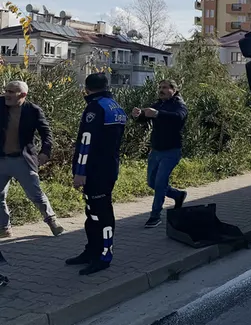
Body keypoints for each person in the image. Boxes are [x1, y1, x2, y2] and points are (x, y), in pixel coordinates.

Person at [65, 73, 127, 275]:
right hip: (108, 167)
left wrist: (79, 172)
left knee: (102, 213)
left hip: (96, 170)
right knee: (92, 212)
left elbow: (86, 142)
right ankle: (91, 250)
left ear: (87, 88)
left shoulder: (95, 107)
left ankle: (104, 254)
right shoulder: (115, 106)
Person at [0, 80, 63, 238]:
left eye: (11, 92)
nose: (6, 94)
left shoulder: (32, 110)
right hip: (1, 159)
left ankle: (51, 220)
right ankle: (4, 228)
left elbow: (46, 133)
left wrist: (45, 152)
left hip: (22, 160)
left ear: (22, 95)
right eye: (6, 90)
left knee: (36, 194)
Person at [132, 79, 188, 228]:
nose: (161, 90)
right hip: (156, 151)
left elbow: (178, 117)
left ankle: (155, 216)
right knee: (152, 182)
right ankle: (178, 195)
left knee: (160, 182)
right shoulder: (159, 104)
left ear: (173, 90)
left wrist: (157, 114)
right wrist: (138, 115)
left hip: (171, 151)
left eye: (165, 87)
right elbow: (145, 117)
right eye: (160, 87)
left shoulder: (179, 105)